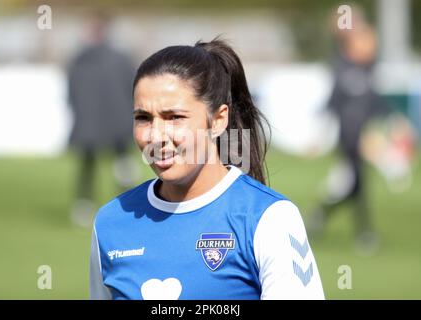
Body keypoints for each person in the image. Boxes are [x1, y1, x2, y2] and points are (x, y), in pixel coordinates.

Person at [89, 38, 324, 300]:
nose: (156, 136)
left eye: (174, 117)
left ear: (218, 119)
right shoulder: (111, 222)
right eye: (143, 118)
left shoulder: (269, 219)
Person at [308, 11, 389, 254]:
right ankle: (364, 233)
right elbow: (332, 104)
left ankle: (320, 214)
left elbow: (376, 103)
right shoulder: (342, 66)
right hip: (349, 137)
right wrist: (319, 136)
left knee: (353, 185)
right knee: (357, 183)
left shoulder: (369, 68)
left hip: (365, 136)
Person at [67, 13, 138, 227]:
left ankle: (87, 208)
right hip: (115, 122)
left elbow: (71, 93)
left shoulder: (80, 60)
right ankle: (126, 206)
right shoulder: (120, 58)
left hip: (98, 123)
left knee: (102, 164)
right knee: (114, 163)